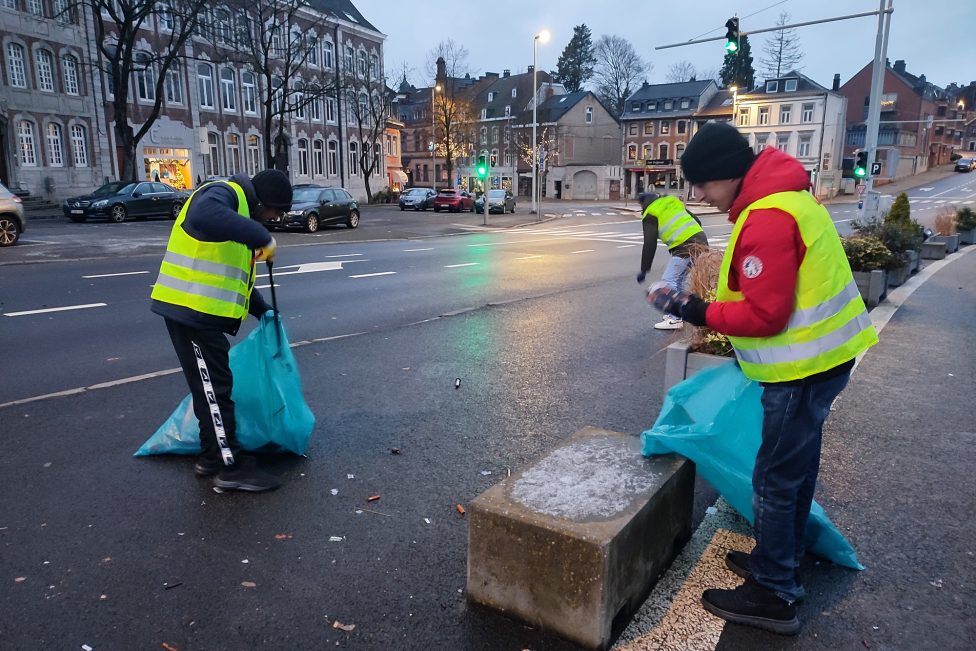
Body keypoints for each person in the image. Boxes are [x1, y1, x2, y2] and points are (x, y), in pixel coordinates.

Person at [648, 122, 878, 635]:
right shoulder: (784, 198)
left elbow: (765, 315)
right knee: (791, 473)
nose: (698, 196)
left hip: (804, 368)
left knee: (774, 479)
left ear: (727, 176)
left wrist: (695, 309)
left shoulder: (769, 216)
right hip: (821, 360)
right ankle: (782, 559)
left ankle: (775, 593)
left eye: (702, 185)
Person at [150, 169, 292, 493]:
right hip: (190, 312)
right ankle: (231, 467)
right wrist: (260, 236)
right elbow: (205, 215)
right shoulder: (222, 194)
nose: (275, 219)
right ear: (264, 203)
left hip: (198, 313)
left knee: (210, 390)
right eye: (275, 213)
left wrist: (265, 311)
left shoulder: (238, 213)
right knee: (216, 390)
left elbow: (232, 280)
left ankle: (213, 456)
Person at [636, 192, 708, 330]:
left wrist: (644, 269)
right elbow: (697, 221)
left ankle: (675, 320)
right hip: (700, 241)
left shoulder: (651, 213)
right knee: (678, 281)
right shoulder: (671, 202)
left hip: (684, 247)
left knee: (668, 281)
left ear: (643, 203)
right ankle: (679, 314)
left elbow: (649, 243)